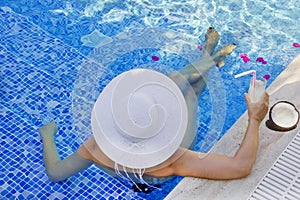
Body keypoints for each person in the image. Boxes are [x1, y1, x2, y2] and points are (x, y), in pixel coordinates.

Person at [39, 27, 269, 185]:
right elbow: (240, 167)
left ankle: (209, 56)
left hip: (143, 156)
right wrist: (255, 118)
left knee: (174, 81)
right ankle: (211, 56)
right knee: (189, 92)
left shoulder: (96, 146)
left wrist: (47, 135)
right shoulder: (173, 160)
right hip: (159, 168)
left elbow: (56, 173)